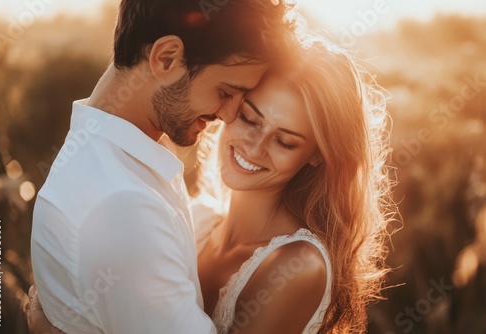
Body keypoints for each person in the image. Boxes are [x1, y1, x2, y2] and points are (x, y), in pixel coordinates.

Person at [28, 36, 394, 333]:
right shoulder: (199, 219)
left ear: (316, 155)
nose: (255, 146)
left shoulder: (297, 267)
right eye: (250, 118)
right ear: (228, 104)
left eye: (285, 141)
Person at [29, 0, 294, 333]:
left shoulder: (115, 157)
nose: (228, 115)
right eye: (225, 91)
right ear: (166, 57)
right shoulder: (123, 205)